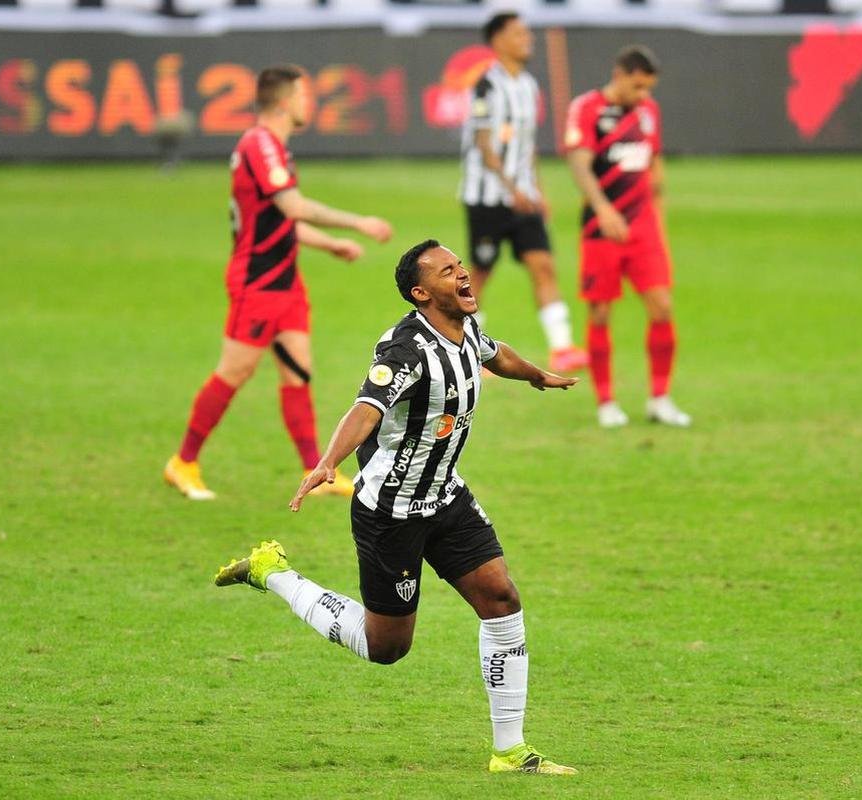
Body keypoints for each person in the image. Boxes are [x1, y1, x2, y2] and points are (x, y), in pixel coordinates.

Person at [215, 240, 579, 775]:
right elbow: (367, 408)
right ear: (421, 293)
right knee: (387, 647)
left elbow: (493, 352)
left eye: (459, 265)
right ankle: (274, 573)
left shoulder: (464, 326)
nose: (461, 274)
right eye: (447, 271)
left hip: (446, 496)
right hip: (391, 510)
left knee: (501, 599)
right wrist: (327, 463)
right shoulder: (407, 351)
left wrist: (535, 375)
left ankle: (511, 751)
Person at [165, 65, 393, 500]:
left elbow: (277, 221)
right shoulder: (259, 143)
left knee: (297, 374)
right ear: (286, 101)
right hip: (258, 282)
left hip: (285, 281)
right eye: (305, 97)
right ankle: (183, 462)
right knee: (235, 371)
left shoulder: (276, 150)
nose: (310, 104)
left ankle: (316, 469)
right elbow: (292, 205)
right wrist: (358, 222)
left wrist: (329, 245)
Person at [564, 46, 692, 429]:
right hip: (600, 229)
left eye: (648, 88)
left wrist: (660, 219)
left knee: (662, 307)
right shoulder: (587, 108)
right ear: (619, 75)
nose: (643, 95)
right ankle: (606, 402)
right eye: (637, 86)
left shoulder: (648, 111)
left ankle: (660, 398)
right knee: (601, 311)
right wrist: (603, 209)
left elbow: (654, 165)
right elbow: (579, 164)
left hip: (643, 228)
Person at [460, 12, 589, 374]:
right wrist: (510, 188)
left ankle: (562, 348)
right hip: (487, 197)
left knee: (543, 265)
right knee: (478, 275)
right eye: (518, 34)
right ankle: (472, 353)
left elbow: (527, 147)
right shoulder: (486, 86)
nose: (526, 39)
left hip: (524, 198)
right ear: (498, 39)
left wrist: (537, 190)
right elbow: (484, 146)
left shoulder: (530, 85)